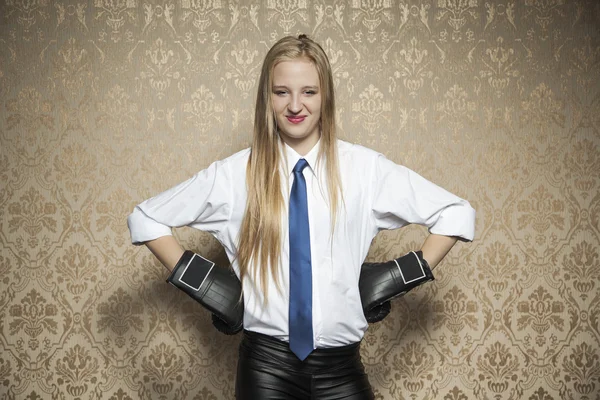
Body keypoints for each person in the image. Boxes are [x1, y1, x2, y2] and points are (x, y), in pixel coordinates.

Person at [127, 34, 475, 400]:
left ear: (326, 97)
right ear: (268, 97)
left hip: (342, 369)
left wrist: (394, 278)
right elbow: (145, 218)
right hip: (266, 370)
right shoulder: (233, 175)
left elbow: (456, 213)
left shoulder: (365, 170)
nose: (295, 105)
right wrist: (209, 286)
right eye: (282, 92)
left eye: (309, 92)